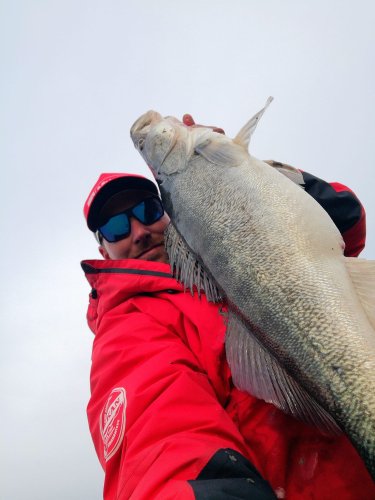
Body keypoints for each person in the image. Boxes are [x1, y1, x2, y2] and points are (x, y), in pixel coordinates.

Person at [82, 118, 374, 500]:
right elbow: (158, 433)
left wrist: (245, 174)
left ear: (168, 211)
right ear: (103, 250)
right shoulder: (127, 326)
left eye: (149, 210)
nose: (139, 230)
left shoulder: (221, 239)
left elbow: (347, 219)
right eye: (117, 227)